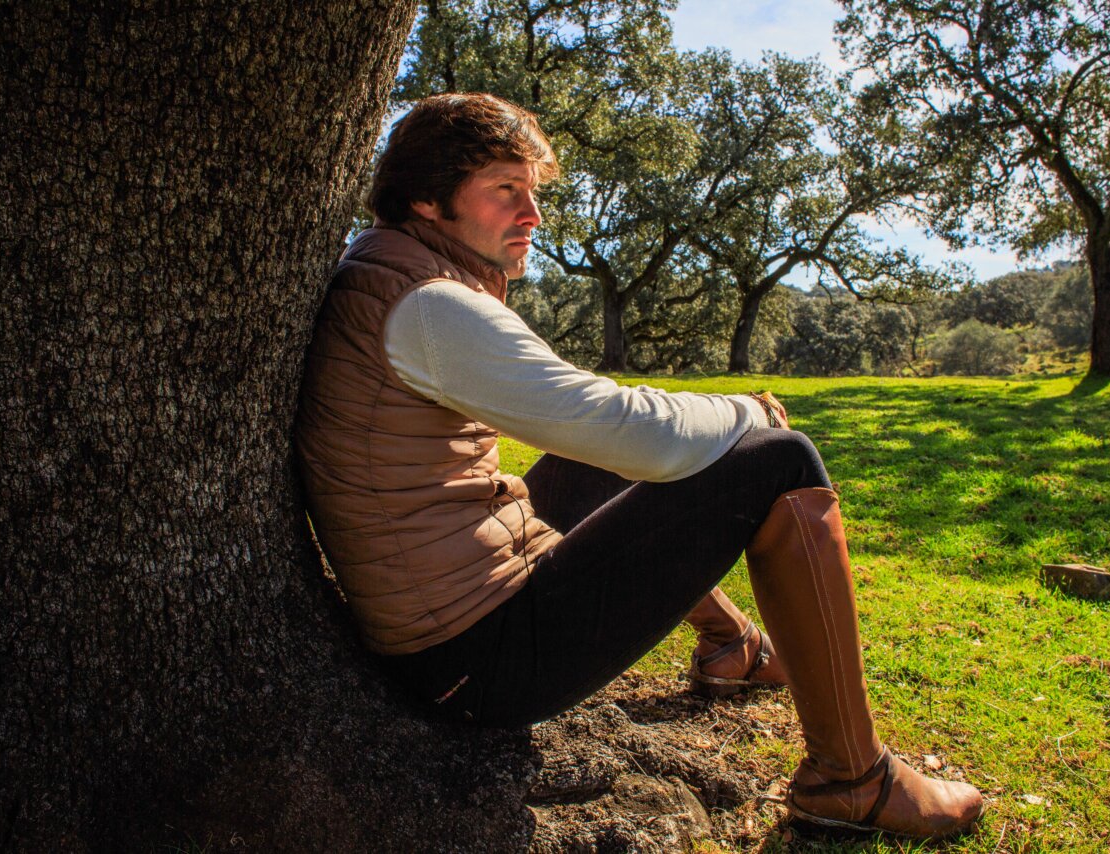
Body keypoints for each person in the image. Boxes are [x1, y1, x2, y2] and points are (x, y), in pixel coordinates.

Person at [295, 93, 983, 839]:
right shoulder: (430, 306)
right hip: (476, 659)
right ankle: (852, 780)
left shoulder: (388, 270)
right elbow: (628, 428)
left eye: (533, 191)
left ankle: (731, 646)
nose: (533, 214)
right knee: (780, 461)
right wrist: (750, 412)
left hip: (442, 622)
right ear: (428, 199)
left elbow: (595, 432)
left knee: (587, 462)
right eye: (505, 190)